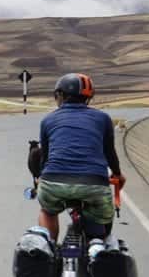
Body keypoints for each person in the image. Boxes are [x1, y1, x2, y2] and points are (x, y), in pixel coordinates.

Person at [36, 73, 125, 245]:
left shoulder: (47, 120)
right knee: (101, 226)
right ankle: (97, 248)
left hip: (53, 183)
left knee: (47, 211)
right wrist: (118, 174)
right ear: (88, 98)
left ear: (60, 95)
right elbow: (110, 153)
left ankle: (48, 248)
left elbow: (45, 157)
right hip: (95, 184)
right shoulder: (103, 118)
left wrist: (40, 176)